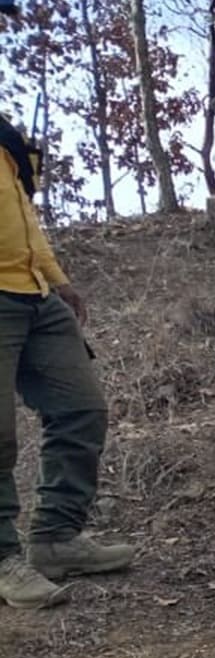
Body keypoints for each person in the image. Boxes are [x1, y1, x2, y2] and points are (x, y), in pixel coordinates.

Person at [0, 112, 133, 610]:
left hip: (35, 294)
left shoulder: (4, 137)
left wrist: (56, 278)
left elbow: (22, 216)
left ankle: (56, 537)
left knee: (81, 410)